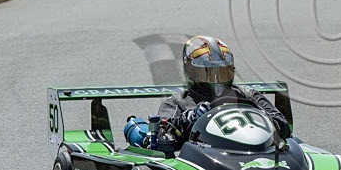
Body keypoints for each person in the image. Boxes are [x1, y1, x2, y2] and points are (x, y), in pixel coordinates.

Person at [124, 35, 291, 151]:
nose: (216, 80)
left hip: (252, 153)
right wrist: (189, 118)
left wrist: (258, 115)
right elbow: (163, 137)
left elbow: (283, 125)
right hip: (205, 163)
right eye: (208, 74)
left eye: (222, 72)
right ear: (190, 71)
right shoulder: (178, 101)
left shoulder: (247, 95)